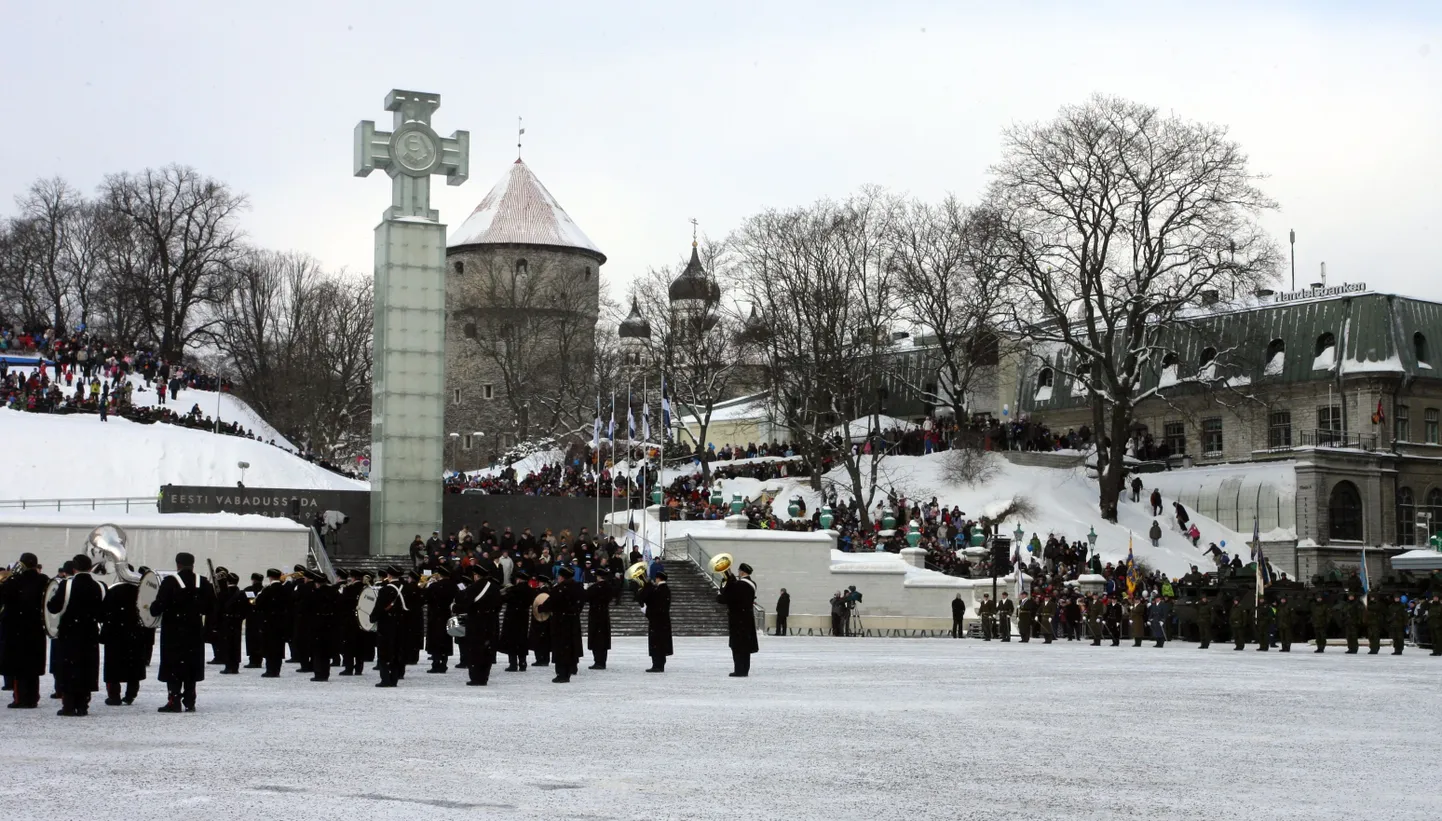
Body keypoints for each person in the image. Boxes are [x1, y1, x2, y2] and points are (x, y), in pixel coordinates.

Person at [150, 552, 217, 712]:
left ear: (178, 564)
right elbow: (211, 607)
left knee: (173, 666)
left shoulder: (170, 582)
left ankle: (174, 700)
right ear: (192, 564)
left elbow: (158, 607)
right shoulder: (202, 582)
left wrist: (152, 608)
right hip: (194, 630)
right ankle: (190, 700)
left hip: (174, 631)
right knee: (191, 665)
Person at [47, 554, 105, 716]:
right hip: (90, 634)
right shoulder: (99, 586)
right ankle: (83, 704)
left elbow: (53, 607)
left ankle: (69, 705)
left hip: (69, 633)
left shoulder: (67, 585)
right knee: (87, 669)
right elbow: (102, 613)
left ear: (74, 568)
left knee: (68, 669)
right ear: (90, 568)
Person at [2, 553, 50, 709]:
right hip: (37, 628)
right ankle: (33, 697)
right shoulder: (44, 581)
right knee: (33, 666)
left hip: (17, 629)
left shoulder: (14, 581)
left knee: (19, 666)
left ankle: (20, 698)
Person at [100, 567, 154, 705]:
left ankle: (114, 696)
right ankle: (130, 694)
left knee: (113, 667)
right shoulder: (140, 591)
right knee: (133, 666)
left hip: (114, 634)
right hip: (135, 633)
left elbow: (102, 613)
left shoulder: (112, 591)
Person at [455, 563, 502, 686]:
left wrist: (455, 607)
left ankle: (475, 677)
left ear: (476, 575)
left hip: (476, 623)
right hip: (490, 622)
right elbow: (499, 606)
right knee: (487, 650)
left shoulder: (473, 588)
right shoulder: (494, 588)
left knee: (474, 650)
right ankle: (484, 676)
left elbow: (465, 604)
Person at [538, 564, 583, 683]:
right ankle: (570, 669)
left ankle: (561, 673)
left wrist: (540, 608)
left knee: (560, 648)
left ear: (562, 577)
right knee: (571, 646)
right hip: (573, 621)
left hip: (560, 622)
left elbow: (550, 603)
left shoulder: (559, 589)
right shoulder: (578, 588)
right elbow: (581, 603)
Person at [369, 565, 408, 687]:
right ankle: (394, 678)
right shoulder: (406, 588)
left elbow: (379, 607)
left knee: (384, 652)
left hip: (387, 625)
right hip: (401, 624)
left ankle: (385, 679)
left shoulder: (385, 589)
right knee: (396, 651)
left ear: (389, 575)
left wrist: (372, 617)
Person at [717, 562, 758, 677]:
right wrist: (730, 579)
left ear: (742, 572)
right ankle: (744, 669)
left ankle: (739, 670)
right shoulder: (752, 583)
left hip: (737, 619)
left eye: (739, 571)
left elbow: (727, 596)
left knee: (737, 646)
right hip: (747, 618)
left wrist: (727, 579)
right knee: (745, 647)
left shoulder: (740, 585)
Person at [254, 569, 289, 677]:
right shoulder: (285, 589)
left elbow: (258, 604)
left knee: (269, 647)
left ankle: (270, 670)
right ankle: (277, 669)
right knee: (278, 647)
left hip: (269, 622)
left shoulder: (267, 590)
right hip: (281, 622)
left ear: (270, 578)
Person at [636, 571, 673, 672]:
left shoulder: (659, 590)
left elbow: (652, 603)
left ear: (658, 579)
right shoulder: (664, 589)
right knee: (660, 643)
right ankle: (659, 664)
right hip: (662, 621)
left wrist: (646, 611)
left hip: (657, 621)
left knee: (656, 642)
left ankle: (657, 665)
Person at [499, 569, 534, 672]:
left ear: (518, 579)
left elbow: (505, 598)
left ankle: (513, 664)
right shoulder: (529, 590)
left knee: (512, 640)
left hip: (512, 617)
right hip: (523, 617)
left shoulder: (514, 590)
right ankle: (523, 663)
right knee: (522, 640)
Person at [424, 567, 457, 674]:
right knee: (445, 639)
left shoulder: (434, 586)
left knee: (435, 640)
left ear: (440, 575)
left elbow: (426, 598)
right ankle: (444, 663)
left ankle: (436, 663)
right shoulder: (453, 586)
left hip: (435, 616)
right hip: (447, 615)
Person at [585, 569, 615, 670]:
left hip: (595, 614)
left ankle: (598, 661)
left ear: (598, 577)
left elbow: (586, 597)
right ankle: (602, 661)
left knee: (596, 638)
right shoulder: (609, 587)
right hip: (604, 614)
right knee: (603, 639)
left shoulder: (594, 587)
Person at [243, 573, 264, 668]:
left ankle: (253, 660)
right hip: (261, 618)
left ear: (253, 579)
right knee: (260, 639)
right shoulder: (264, 590)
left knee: (251, 639)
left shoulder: (248, 590)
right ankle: (259, 659)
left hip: (251, 618)